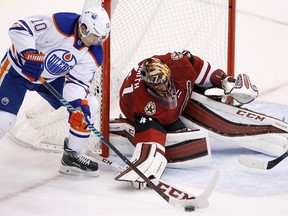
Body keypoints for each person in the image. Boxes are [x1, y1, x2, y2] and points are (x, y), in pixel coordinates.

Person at [115, 50, 258, 189]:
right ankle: (168, 119)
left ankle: (179, 109)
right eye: (158, 85)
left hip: (168, 85)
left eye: (165, 81)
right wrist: (146, 162)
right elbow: (149, 135)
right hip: (130, 107)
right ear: (149, 85)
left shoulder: (180, 64)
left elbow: (200, 67)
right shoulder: (143, 103)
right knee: (168, 127)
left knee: (195, 84)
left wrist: (224, 80)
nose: (164, 86)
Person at [0, 6, 111, 177]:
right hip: (18, 70)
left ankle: (71, 157)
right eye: (95, 37)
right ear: (83, 28)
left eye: (100, 38)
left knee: (89, 105)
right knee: (4, 120)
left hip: (50, 78)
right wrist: (29, 53)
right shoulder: (62, 24)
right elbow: (19, 28)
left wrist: (78, 105)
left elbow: (77, 82)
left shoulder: (94, 53)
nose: (97, 42)